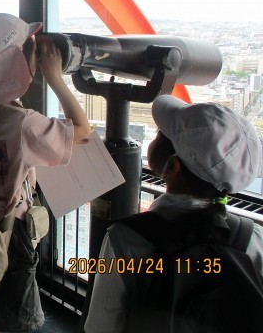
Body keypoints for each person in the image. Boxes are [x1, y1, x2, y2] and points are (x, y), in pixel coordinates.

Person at [0, 13, 91, 333]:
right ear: (18, 60)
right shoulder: (21, 122)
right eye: (31, 49)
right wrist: (55, 77)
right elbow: (82, 130)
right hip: (7, 236)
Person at [83, 95, 263, 332]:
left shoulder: (125, 240)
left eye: (161, 134)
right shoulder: (253, 238)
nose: (155, 136)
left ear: (173, 165)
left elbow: (100, 326)